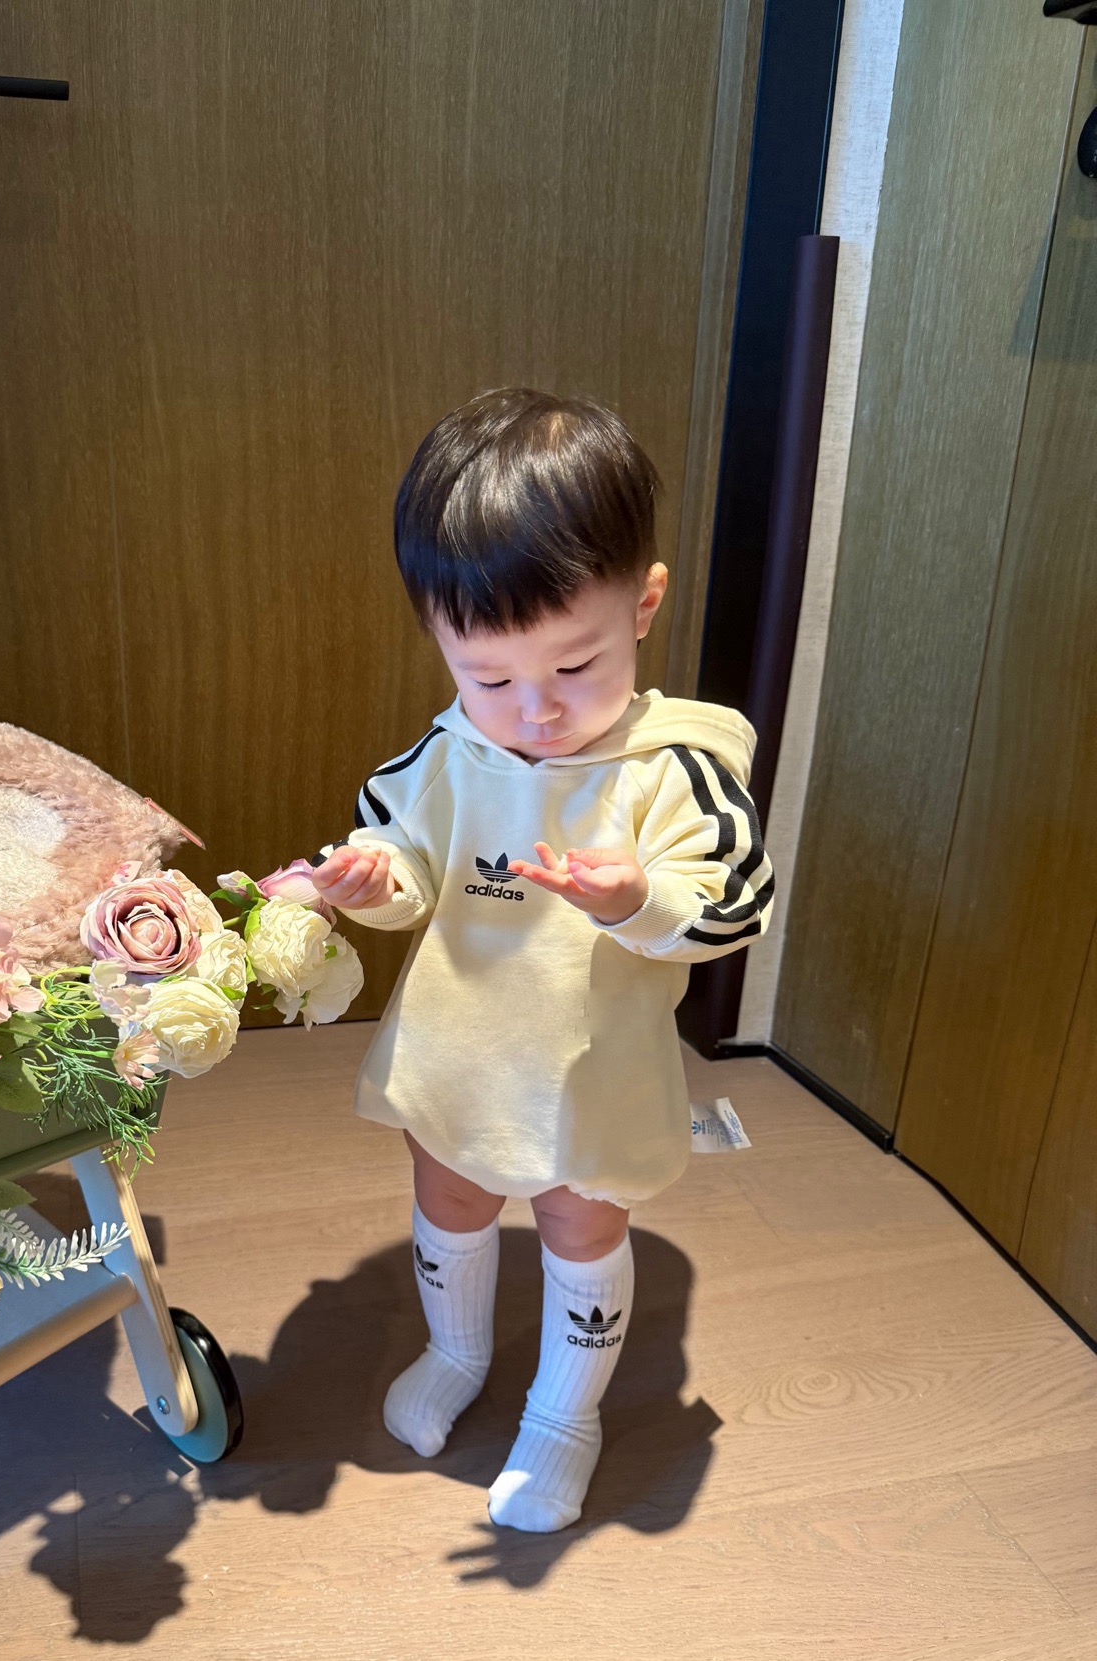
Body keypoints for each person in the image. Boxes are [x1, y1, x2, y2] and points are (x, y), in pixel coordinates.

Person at [310, 388, 773, 1533]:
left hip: (589, 1071)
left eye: (575, 665)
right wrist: (371, 882)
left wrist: (639, 897)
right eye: (488, 676)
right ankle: (456, 1350)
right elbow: (404, 857)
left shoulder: (673, 769)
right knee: (448, 1193)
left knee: (579, 1223)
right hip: (461, 1049)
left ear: (643, 605)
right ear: (439, 638)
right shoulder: (446, 754)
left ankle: (566, 1412)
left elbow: (734, 901)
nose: (535, 711)